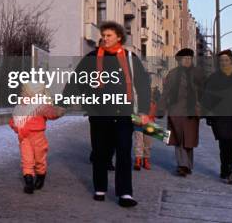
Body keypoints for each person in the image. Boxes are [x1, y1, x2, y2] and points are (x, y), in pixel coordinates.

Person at [62, 21, 151, 207]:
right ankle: (100, 187)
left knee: (124, 153)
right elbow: (75, 81)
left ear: (119, 37)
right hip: (99, 113)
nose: (105, 38)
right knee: (101, 152)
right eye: (103, 35)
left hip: (124, 113)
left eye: (109, 35)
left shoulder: (129, 57)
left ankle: (125, 193)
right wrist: (63, 103)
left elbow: (142, 85)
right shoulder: (92, 57)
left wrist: (143, 110)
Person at [201, 49, 232, 185]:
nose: (224, 62)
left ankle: (229, 169)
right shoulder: (214, 78)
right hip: (219, 116)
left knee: (231, 144)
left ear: (231, 61)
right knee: (223, 144)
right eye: (221, 60)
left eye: (226, 60)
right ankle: (226, 169)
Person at [9, 83, 65, 194]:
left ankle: (40, 176)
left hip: (37, 136)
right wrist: (16, 126)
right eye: (23, 92)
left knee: (39, 158)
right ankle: (29, 182)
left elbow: (51, 113)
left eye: (26, 92)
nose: (24, 94)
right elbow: (13, 120)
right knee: (27, 160)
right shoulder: (20, 106)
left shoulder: (41, 106)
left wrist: (58, 111)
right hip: (24, 137)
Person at [156, 48, 203, 177]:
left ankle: (187, 164)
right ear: (179, 61)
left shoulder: (197, 74)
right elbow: (166, 93)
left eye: (189, 58)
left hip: (191, 111)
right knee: (179, 139)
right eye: (185, 59)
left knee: (189, 139)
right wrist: (161, 108)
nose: (188, 61)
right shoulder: (172, 74)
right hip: (175, 110)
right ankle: (182, 165)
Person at [133, 88, 158, 171]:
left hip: (149, 117)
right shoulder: (136, 97)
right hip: (138, 116)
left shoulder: (152, 99)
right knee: (138, 140)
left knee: (148, 141)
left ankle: (146, 159)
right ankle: (138, 159)